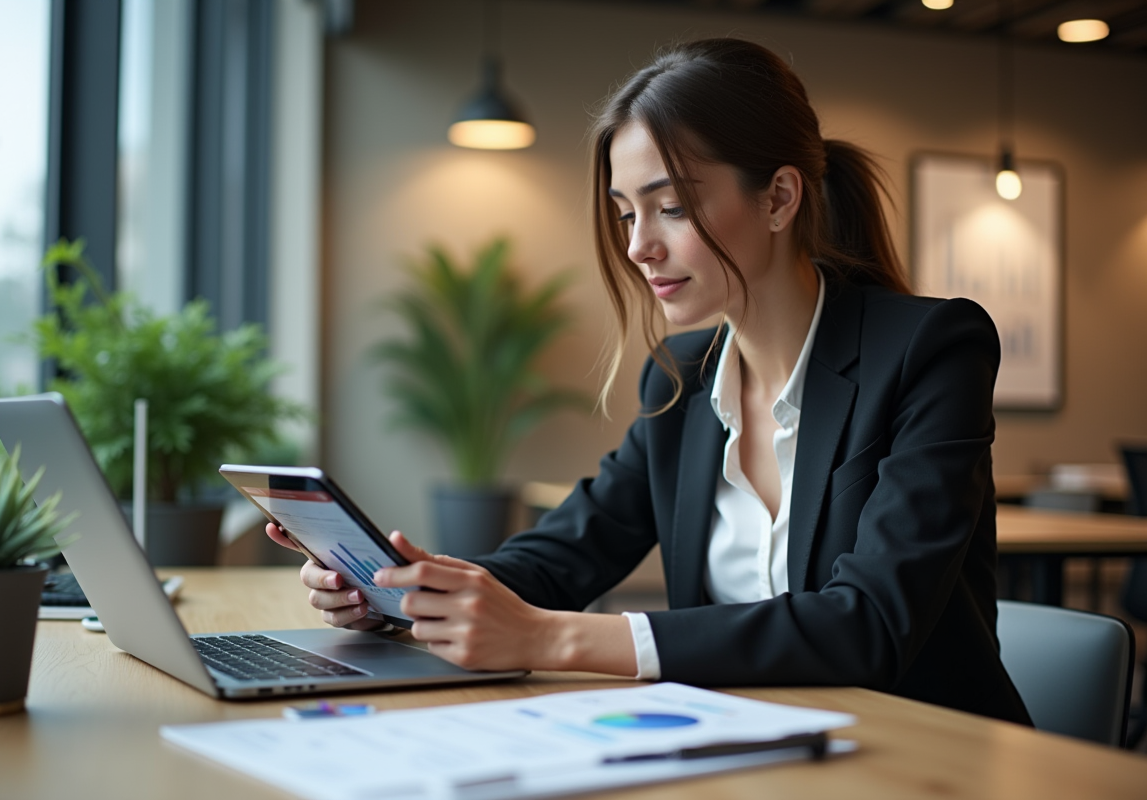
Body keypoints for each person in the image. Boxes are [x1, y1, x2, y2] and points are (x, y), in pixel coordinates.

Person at [266, 38, 1031, 725]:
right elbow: (559, 559)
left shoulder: (931, 348)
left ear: (779, 197)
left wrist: (553, 636)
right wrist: (404, 595)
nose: (639, 247)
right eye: (626, 213)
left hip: (925, 754)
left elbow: (869, 622)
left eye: (670, 208)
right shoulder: (683, 380)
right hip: (749, 749)